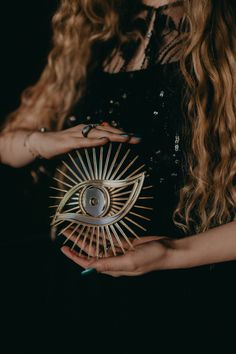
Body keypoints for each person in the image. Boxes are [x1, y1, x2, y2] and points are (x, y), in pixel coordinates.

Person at [1, 0, 236, 353]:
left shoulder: (226, 36)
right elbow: (7, 146)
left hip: (182, 302)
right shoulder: (96, 27)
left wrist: (173, 252)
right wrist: (41, 141)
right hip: (76, 289)